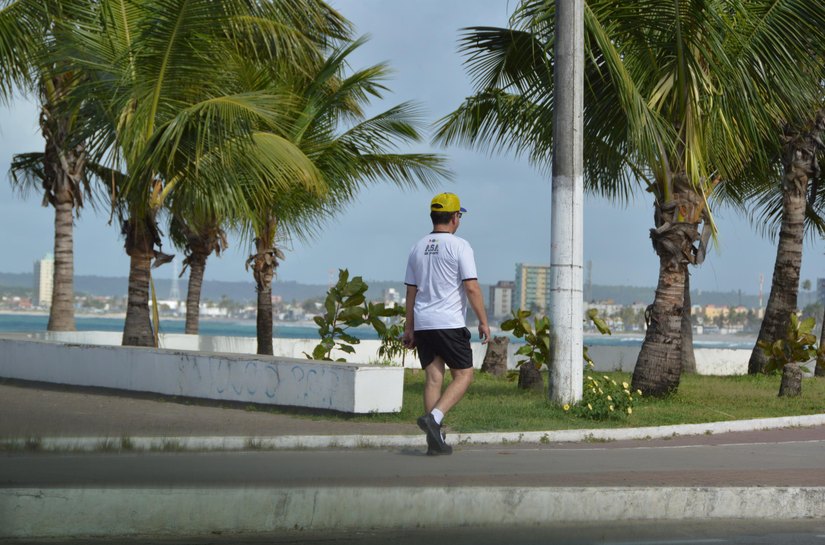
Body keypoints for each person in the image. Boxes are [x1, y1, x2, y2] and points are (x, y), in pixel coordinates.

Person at [403, 192, 490, 455]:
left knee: (433, 379)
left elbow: (410, 291)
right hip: (449, 322)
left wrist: (409, 328)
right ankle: (435, 418)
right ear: (455, 218)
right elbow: (471, 287)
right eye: (459, 215)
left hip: (423, 322)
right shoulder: (460, 246)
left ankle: (434, 442)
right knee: (464, 374)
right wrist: (484, 322)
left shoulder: (417, 247)